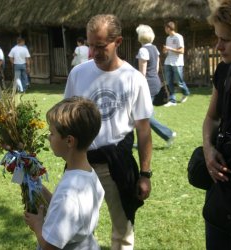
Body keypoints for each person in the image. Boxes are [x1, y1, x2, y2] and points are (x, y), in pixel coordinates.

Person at [64, 14, 153, 249]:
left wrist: (145, 174)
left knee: (123, 231)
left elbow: (144, 130)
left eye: (101, 46)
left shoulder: (134, 79)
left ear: (119, 42)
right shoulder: (78, 74)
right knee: (74, 228)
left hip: (116, 164)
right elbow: (65, 118)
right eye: (91, 45)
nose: (93, 53)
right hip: (81, 164)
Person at [24, 96, 105, 249]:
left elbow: (50, 246)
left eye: (52, 133)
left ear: (69, 141)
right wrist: (39, 187)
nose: (49, 137)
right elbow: (67, 207)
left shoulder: (69, 193)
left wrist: (37, 224)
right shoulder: (88, 175)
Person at [203, 0, 231, 248]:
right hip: (221, 189)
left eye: (226, 39)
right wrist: (208, 149)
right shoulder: (225, 72)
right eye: (217, 38)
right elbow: (211, 118)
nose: (218, 46)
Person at [136, 24, 176, 147]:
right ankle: (143, 141)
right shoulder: (154, 49)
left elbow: (142, 73)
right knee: (146, 114)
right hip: (156, 82)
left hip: (147, 84)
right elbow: (157, 68)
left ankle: (168, 133)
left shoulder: (143, 50)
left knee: (143, 115)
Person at [163, 21, 190, 106]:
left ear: (168, 28)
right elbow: (168, 51)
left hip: (177, 63)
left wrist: (169, 48)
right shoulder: (168, 38)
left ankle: (186, 93)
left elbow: (181, 51)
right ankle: (172, 100)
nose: (165, 30)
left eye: (165, 28)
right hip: (168, 62)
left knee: (179, 82)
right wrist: (165, 51)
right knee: (168, 82)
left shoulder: (179, 37)